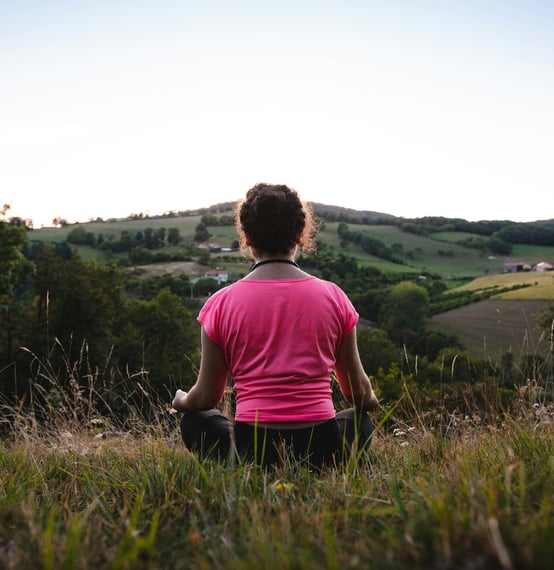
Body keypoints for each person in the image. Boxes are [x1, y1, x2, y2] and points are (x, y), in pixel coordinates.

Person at [172, 182, 379, 468]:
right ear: (299, 235)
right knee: (360, 421)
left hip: (252, 450)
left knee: (195, 421)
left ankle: (246, 466)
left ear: (245, 236)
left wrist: (181, 402)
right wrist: (369, 399)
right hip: (323, 450)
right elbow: (357, 393)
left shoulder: (220, 304)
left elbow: (206, 397)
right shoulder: (334, 297)